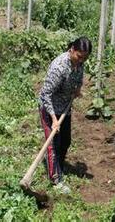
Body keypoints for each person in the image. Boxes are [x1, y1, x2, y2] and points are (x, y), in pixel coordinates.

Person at [39, 36, 92, 193]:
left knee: (66, 141)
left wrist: (77, 90)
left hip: (64, 107)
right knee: (53, 145)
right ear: (72, 50)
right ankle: (55, 179)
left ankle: (59, 166)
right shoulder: (59, 67)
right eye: (79, 56)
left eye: (85, 58)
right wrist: (54, 119)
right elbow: (45, 94)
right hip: (49, 109)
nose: (81, 60)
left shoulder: (80, 63)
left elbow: (79, 76)